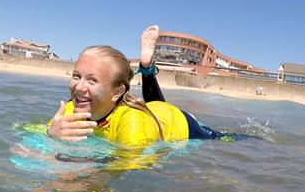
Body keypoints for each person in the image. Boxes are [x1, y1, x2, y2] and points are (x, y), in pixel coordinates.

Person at [46, 25, 239, 146]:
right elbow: (29, 133)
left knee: (226, 139)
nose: (79, 88)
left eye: (92, 80)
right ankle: (146, 67)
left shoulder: (133, 125)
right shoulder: (71, 108)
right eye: (76, 76)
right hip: (154, 111)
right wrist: (51, 133)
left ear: (118, 92)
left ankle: (147, 68)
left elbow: (125, 168)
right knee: (155, 105)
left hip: (182, 124)